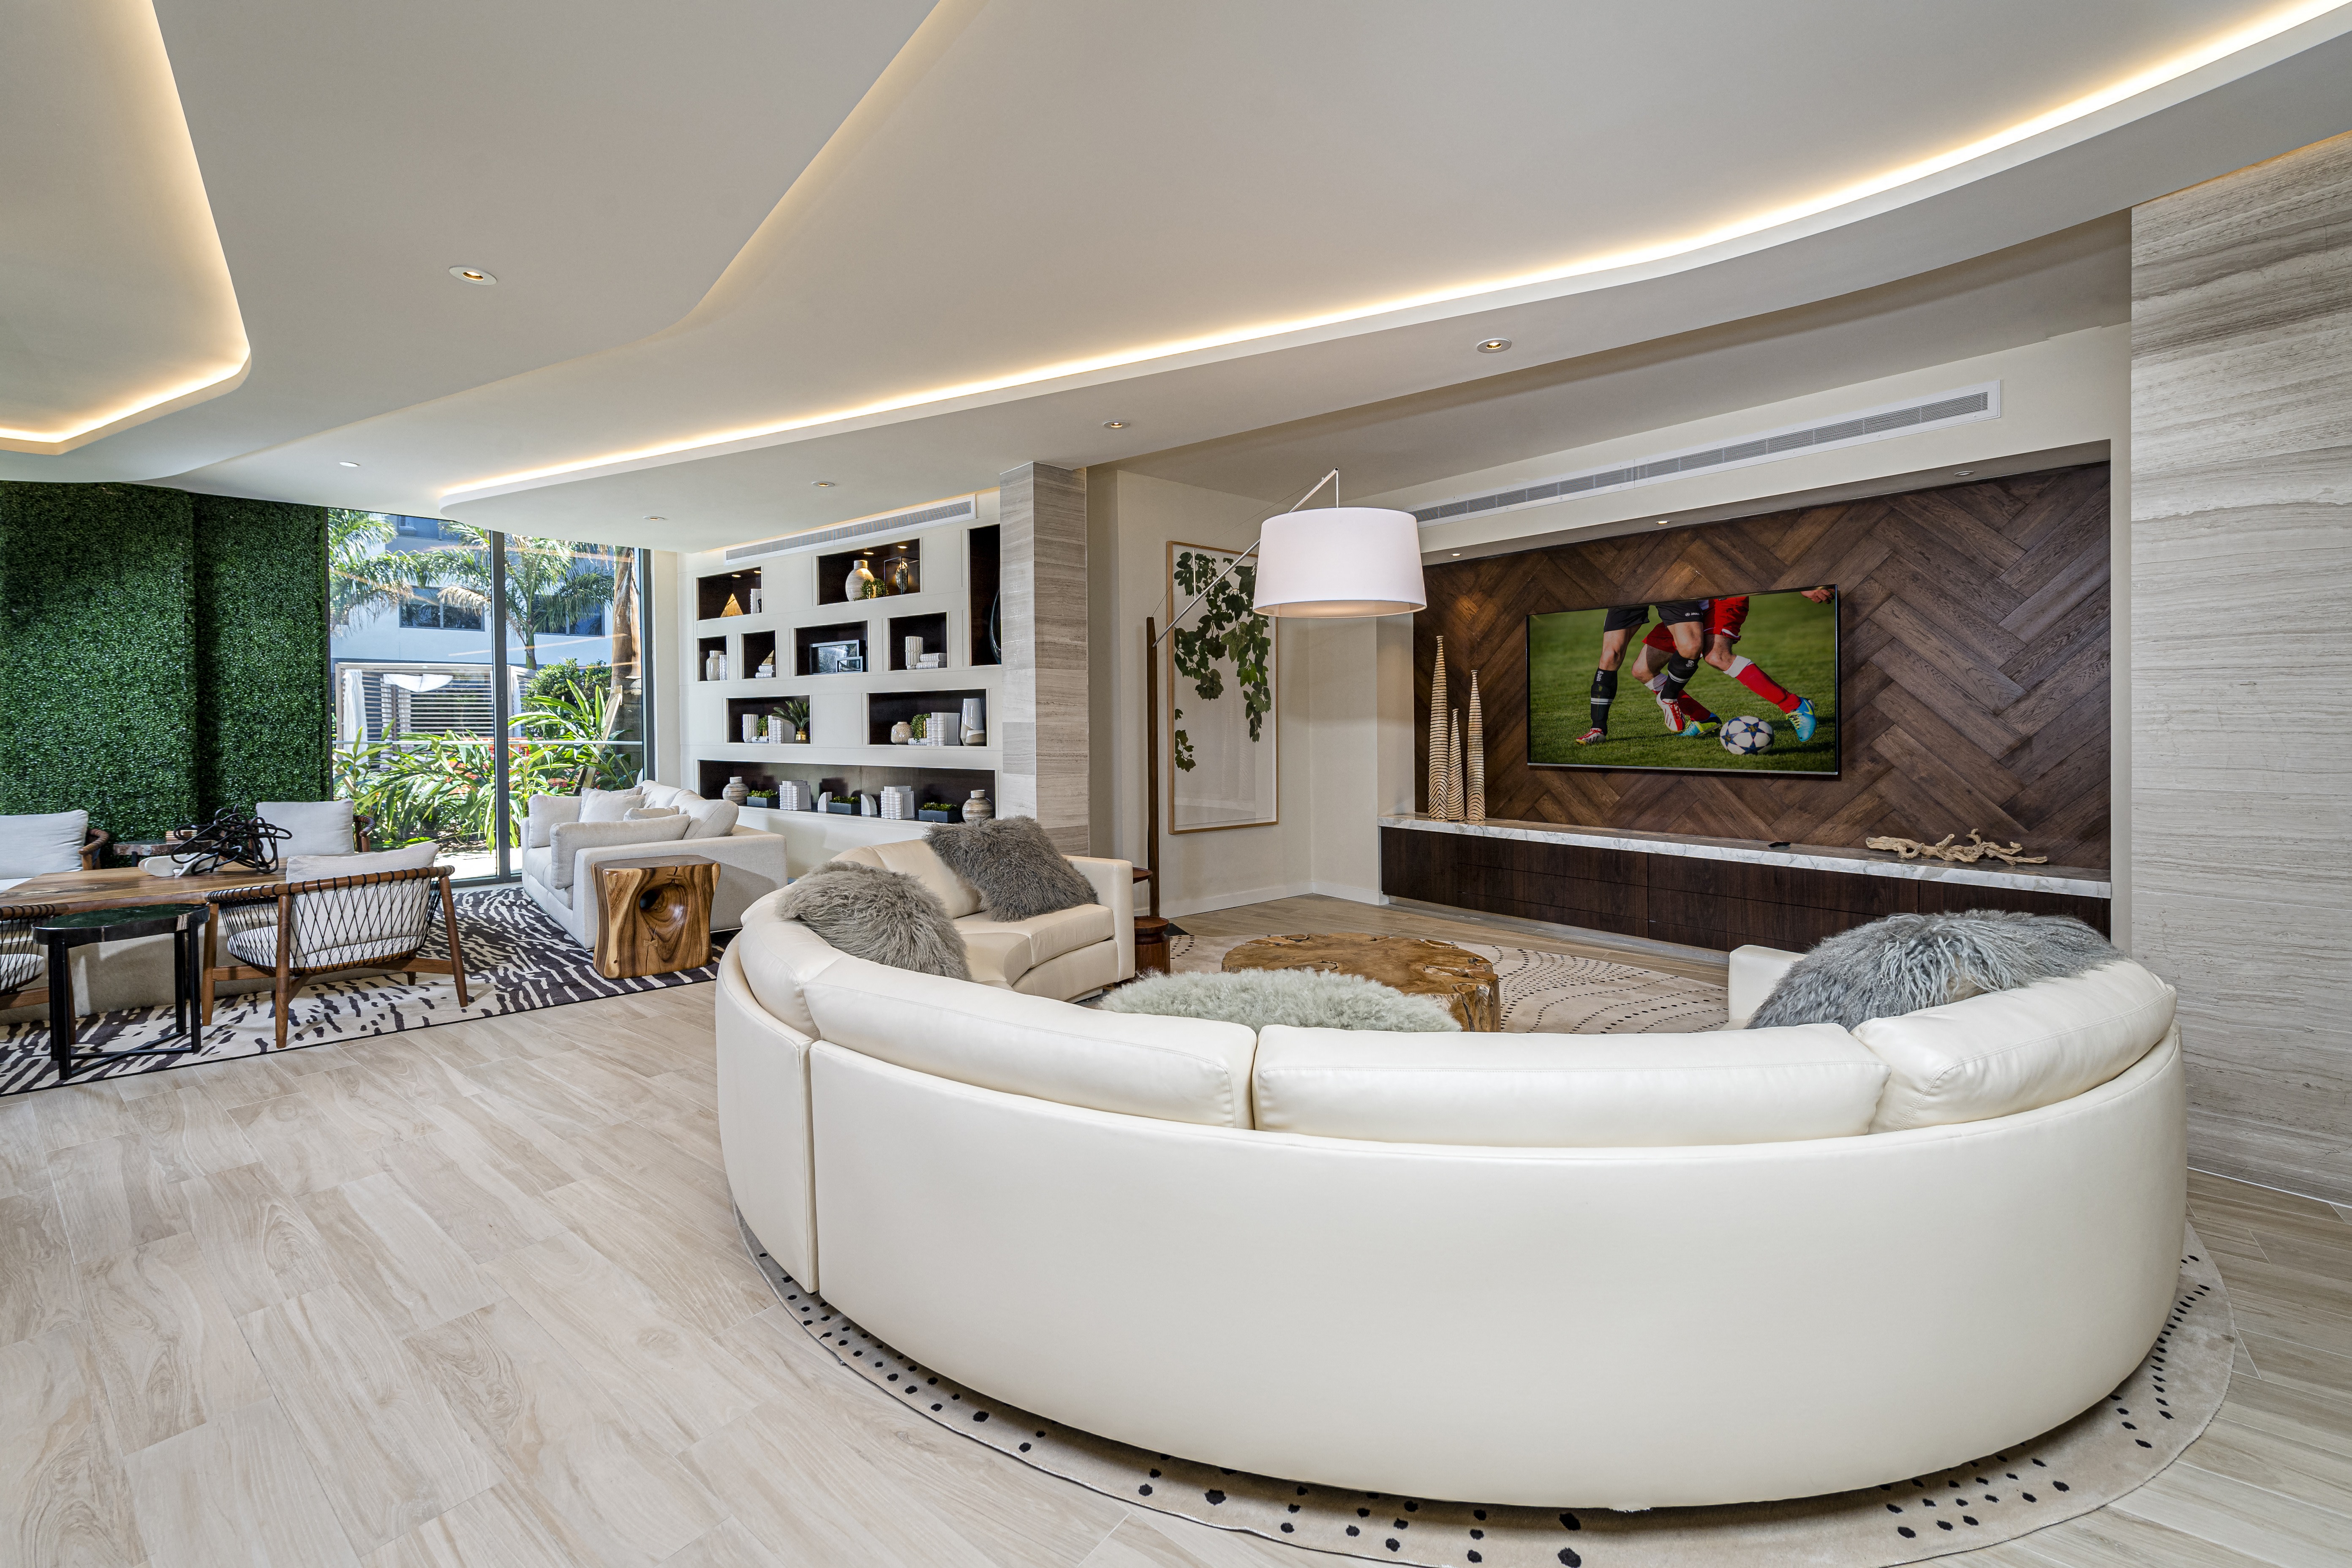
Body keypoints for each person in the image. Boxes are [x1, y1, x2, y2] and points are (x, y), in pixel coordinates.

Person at [1627, 588, 1829, 742]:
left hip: (1723, 597)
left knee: (1717, 656)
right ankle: (1703, 719)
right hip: (1684, 606)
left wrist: (1802, 585)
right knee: (1643, 670)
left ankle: (1795, 706)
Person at [1573, 601, 1708, 746]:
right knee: (1610, 656)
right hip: (1629, 592)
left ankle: (1669, 697)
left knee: (1691, 646)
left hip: (1669, 589)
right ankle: (1598, 729)